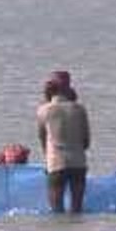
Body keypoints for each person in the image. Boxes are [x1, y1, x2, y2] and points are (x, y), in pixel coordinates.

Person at [36, 77, 90, 213]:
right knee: (77, 209)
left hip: (56, 164)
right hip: (78, 163)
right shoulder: (79, 109)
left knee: (57, 211)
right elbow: (86, 141)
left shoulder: (43, 110)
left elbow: (42, 138)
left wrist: (47, 158)